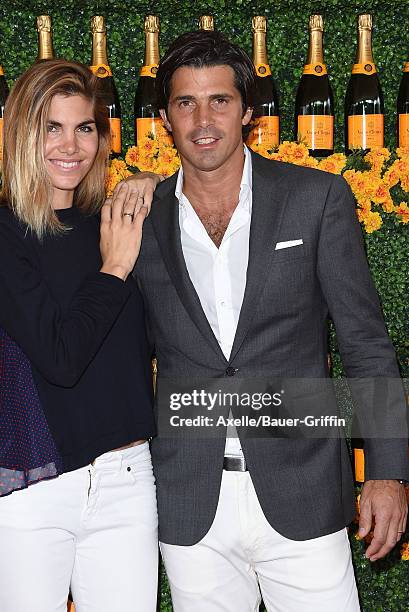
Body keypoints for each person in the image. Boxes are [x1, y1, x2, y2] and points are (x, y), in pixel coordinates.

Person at [130, 31, 409, 611]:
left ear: (248, 111)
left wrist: (388, 471)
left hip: (304, 489)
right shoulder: (138, 216)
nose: (203, 119)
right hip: (189, 497)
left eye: (220, 101)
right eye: (185, 103)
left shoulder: (317, 198)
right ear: (164, 118)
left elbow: (365, 344)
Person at [0, 59, 160, 612]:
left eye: (85, 127)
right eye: (53, 127)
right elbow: (62, 358)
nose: (71, 145)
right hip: (33, 493)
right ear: (24, 134)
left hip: (126, 480)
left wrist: (153, 185)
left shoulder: (113, 223)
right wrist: (115, 269)